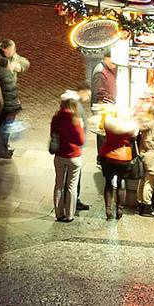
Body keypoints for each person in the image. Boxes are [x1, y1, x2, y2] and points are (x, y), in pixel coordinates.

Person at [0, 40, 29, 159]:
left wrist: (20, 67)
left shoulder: (12, 56)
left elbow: (25, 62)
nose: (14, 52)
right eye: (12, 50)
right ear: (5, 49)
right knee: (3, 124)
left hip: (6, 98)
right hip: (1, 98)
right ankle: (1, 148)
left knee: (2, 124)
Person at [51, 92, 85, 222]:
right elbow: (80, 141)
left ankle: (59, 213)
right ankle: (70, 214)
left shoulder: (56, 118)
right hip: (74, 156)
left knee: (58, 184)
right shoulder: (76, 121)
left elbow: (53, 134)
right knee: (72, 186)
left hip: (60, 155)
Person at [98, 112, 137, 220]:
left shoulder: (109, 123)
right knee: (122, 182)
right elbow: (134, 136)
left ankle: (108, 209)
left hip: (108, 155)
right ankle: (120, 209)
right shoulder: (129, 127)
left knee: (108, 182)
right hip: (124, 156)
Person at [135, 104, 154, 216]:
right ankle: (147, 206)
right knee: (150, 182)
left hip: (144, 153)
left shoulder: (145, 123)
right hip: (153, 154)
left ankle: (140, 204)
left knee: (142, 180)